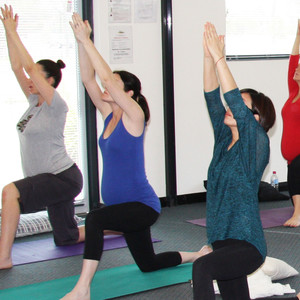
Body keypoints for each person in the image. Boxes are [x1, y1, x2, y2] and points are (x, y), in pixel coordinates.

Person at [61, 13, 212, 300]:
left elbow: (104, 77)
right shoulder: (108, 116)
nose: (107, 87)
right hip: (122, 207)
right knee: (149, 264)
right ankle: (197, 254)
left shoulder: (135, 116)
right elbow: (88, 78)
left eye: (115, 85)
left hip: (141, 205)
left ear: (127, 93)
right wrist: (80, 42)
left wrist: (89, 40)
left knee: (93, 220)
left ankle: (82, 289)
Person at [192, 22, 300, 300]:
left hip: (246, 244)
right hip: (220, 240)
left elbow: (233, 103)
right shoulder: (222, 141)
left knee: (202, 268)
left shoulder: (257, 144)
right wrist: (207, 57)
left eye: (240, 106)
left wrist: (220, 59)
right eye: (233, 104)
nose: (231, 108)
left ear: (255, 118)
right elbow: (213, 98)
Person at [0, 5, 84, 270]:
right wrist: (7, 31)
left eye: (35, 76)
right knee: (66, 239)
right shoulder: (32, 102)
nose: (29, 79)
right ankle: (113, 225)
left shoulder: (55, 105)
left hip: (62, 177)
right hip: (52, 180)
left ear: (49, 81)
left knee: (9, 192)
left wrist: (15, 33)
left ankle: (3, 258)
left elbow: (28, 68)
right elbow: (17, 66)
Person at [281, 19, 300, 228]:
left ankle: (298, 214)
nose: (296, 69)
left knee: (296, 171)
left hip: (298, 159)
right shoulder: (294, 92)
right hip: (291, 158)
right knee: (294, 189)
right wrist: (298, 35)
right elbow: (293, 61)